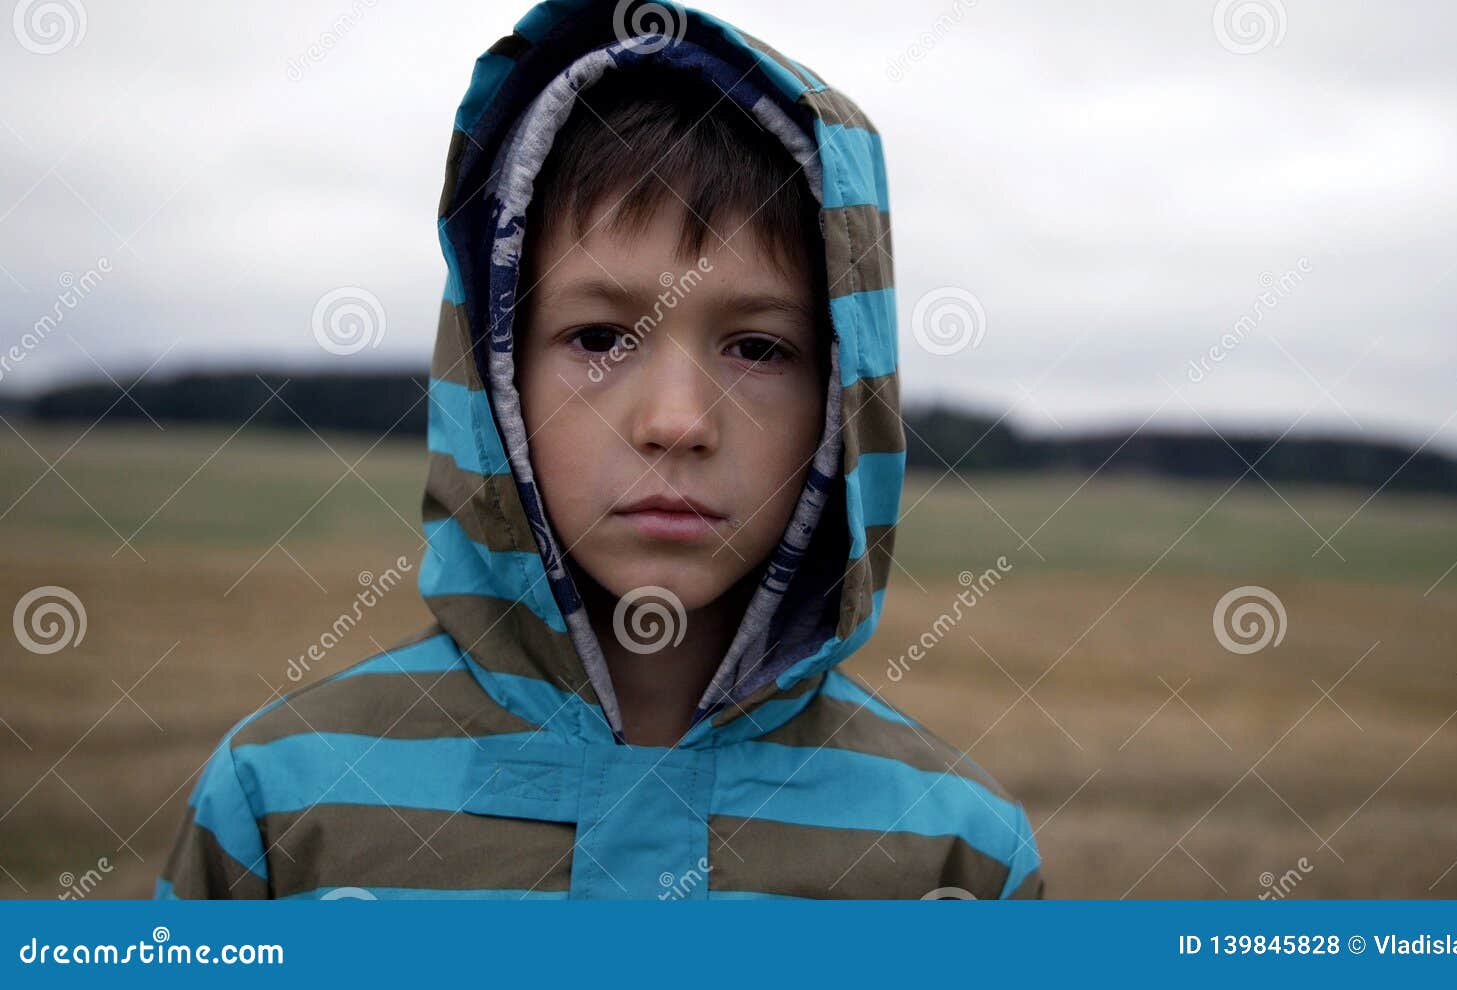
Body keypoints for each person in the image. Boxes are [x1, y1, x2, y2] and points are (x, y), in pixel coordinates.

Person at [157, 0, 1043, 900]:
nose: (676, 421)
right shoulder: (284, 807)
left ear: (841, 402)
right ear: (495, 372)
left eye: (758, 348)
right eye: (599, 339)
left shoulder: (954, 856)